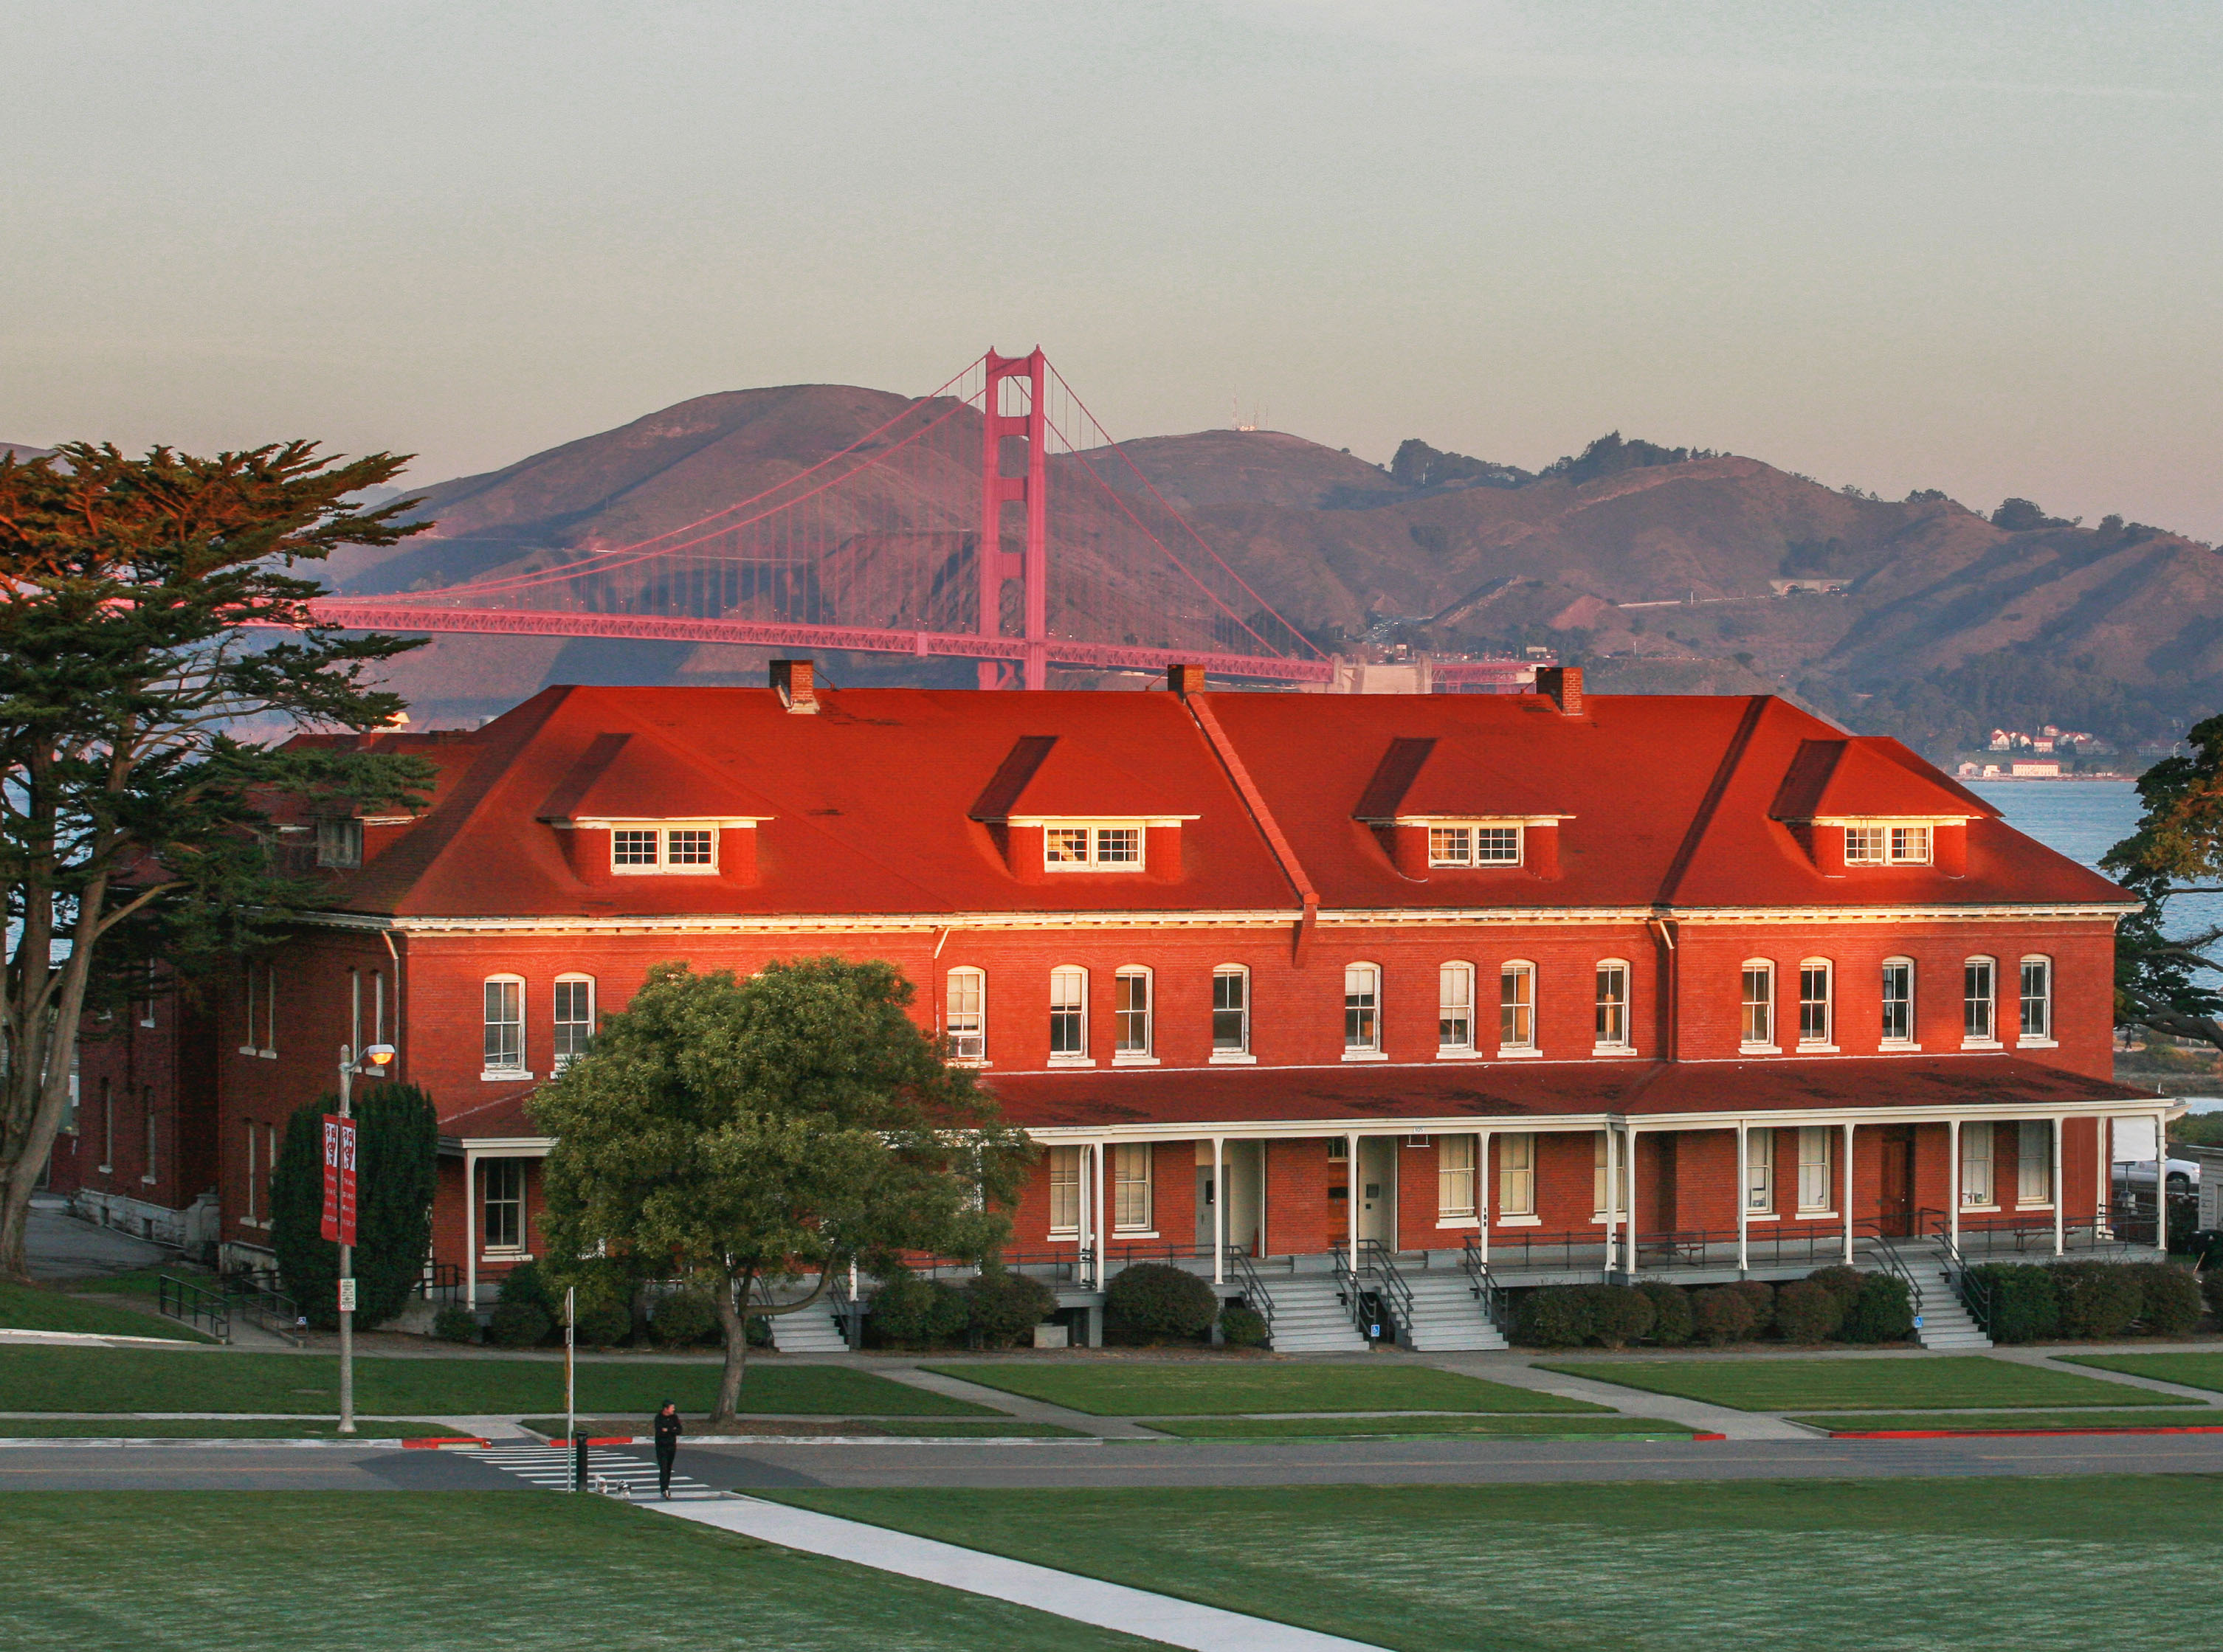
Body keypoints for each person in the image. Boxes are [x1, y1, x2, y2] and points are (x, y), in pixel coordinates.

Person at [652, 1401, 683, 1499]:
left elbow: (679, 1430)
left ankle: (666, 1487)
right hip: (661, 1447)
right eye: (672, 1407)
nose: (674, 1409)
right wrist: (672, 1429)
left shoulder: (674, 1417)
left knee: (669, 1468)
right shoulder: (659, 1418)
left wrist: (669, 1430)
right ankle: (664, 1489)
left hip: (672, 1446)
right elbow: (660, 1431)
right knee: (663, 1467)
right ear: (666, 1409)